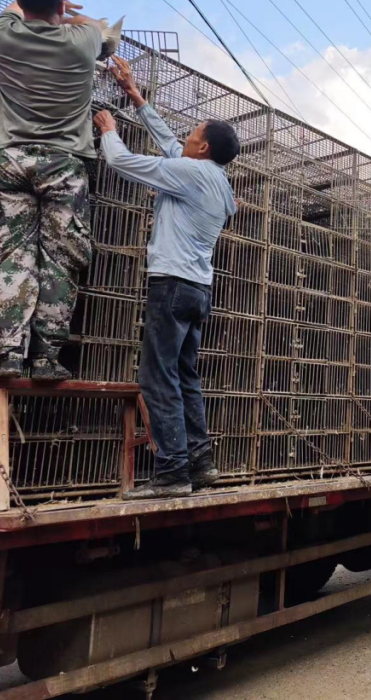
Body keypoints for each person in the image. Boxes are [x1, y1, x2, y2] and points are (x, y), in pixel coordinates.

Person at [94, 55, 238, 499]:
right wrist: (136, 97)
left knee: (158, 378)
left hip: (171, 285)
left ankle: (172, 472)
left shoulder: (190, 173)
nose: (187, 136)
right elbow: (172, 147)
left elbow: (123, 163)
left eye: (194, 133)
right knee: (186, 376)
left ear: (205, 149)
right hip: (198, 290)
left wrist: (109, 130)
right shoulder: (219, 182)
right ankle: (200, 462)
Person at [0, 0, 107, 380]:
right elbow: (97, 26)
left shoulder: (2, 33)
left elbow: (15, 9)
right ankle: (45, 357)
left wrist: (39, 3)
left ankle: (8, 354)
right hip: (64, 162)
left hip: (11, 159)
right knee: (60, 259)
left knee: (13, 256)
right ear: (60, 2)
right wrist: (69, 13)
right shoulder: (81, 43)